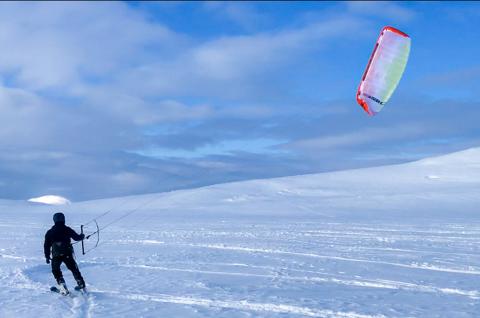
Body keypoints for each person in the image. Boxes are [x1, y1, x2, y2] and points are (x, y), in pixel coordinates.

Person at [44, 212, 86, 294]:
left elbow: (46, 245)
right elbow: (77, 238)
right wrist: (82, 236)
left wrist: (47, 256)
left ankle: (62, 284)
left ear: (54, 220)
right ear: (63, 219)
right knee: (74, 268)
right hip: (67, 253)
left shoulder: (50, 232)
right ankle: (80, 283)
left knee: (55, 270)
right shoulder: (67, 229)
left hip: (56, 255)